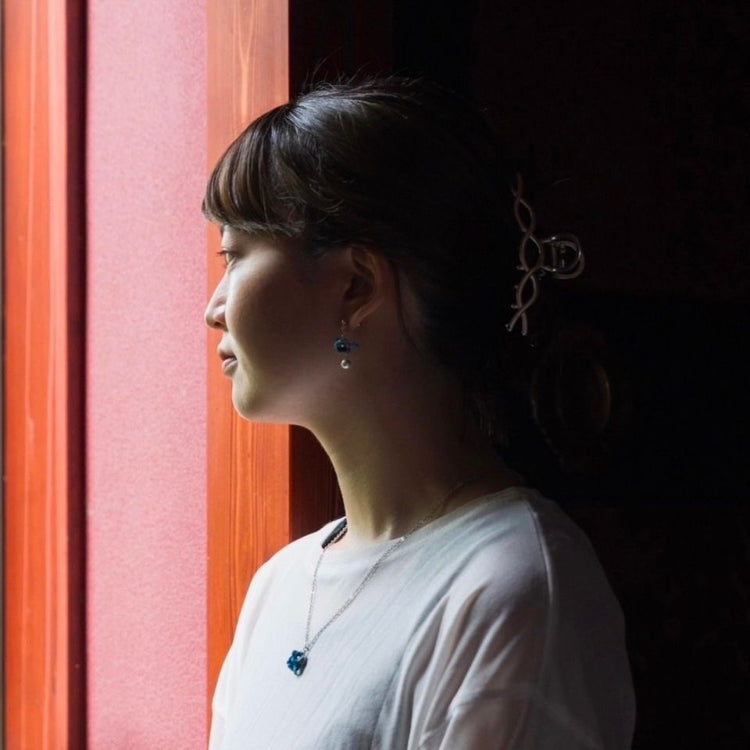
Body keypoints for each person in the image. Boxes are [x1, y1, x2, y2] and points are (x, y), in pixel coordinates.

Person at [203, 77, 635, 749]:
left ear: (356, 286)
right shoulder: (278, 587)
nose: (214, 308)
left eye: (234, 256)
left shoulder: (513, 587)